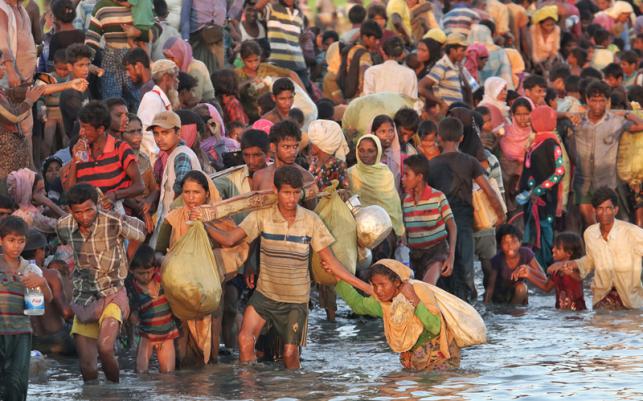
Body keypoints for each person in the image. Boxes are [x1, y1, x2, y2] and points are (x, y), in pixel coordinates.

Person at [203, 165, 348, 369]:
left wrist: (364, 287)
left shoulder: (311, 220)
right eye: (287, 193)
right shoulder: (262, 216)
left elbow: (331, 261)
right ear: (276, 192)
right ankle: (249, 393)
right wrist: (203, 223)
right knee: (245, 341)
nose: (291, 199)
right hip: (265, 295)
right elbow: (230, 239)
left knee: (290, 354)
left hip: (296, 300)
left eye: (296, 193)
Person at [56, 183, 146, 382]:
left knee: (105, 348)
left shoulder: (112, 220)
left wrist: (126, 260)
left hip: (112, 292)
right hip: (84, 297)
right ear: (70, 211)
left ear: (97, 205)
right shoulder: (64, 225)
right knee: (87, 367)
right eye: (78, 212)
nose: (85, 216)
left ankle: (115, 392)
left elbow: (141, 232)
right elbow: (63, 240)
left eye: (89, 210)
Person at [329, 258, 460, 371]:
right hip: (416, 364)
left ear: (397, 282)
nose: (378, 290)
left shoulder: (420, 293)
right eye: (374, 285)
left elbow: (435, 326)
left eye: (382, 284)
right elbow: (358, 305)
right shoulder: (385, 305)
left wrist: (414, 299)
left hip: (441, 362)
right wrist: (339, 280)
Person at [428, 117, 505, 302]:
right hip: (463, 223)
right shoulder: (469, 162)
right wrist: (500, 216)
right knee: (465, 269)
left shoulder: (432, 165)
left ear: (439, 137)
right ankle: (468, 306)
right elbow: (489, 192)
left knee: (443, 269)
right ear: (461, 138)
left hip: (439, 223)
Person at [549, 187, 643, 310]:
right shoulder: (590, 233)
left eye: (609, 208)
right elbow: (590, 261)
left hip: (630, 300)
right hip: (602, 297)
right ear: (594, 210)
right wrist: (570, 264)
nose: (604, 213)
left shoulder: (631, 232)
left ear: (615, 210)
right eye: (600, 208)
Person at [573, 81, 643, 226]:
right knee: (589, 224)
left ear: (608, 101)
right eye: (594, 100)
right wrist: (565, 115)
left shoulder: (616, 122)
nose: (597, 104)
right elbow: (547, 117)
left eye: (602, 100)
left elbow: (640, 125)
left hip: (606, 183)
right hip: (583, 182)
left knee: (605, 225)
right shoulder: (578, 120)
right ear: (587, 100)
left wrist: (625, 113)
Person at [0, 216, 52, 401]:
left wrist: (42, 283)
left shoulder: (32, 270)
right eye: (11, 240)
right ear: (1, 240)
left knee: (17, 381)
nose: (16, 246)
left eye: (21, 241)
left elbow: (47, 299)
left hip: (21, 332)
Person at [65, 101, 144, 214]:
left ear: (100, 129)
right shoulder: (81, 151)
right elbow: (70, 192)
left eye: (85, 128)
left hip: (117, 216)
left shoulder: (120, 149)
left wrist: (115, 195)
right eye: (81, 127)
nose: (81, 132)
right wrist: (74, 161)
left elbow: (139, 186)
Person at [518, 106, 566, 268]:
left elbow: (560, 171)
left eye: (533, 119)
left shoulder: (552, 144)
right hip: (532, 200)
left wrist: (539, 190)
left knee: (545, 231)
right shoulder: (536, 143)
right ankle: (538, 269)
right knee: (534, 231)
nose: (530, 122)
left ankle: (546, 268)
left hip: (545, 200)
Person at [149, 111, 203, 247]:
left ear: (178, 133)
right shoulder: (175, 153)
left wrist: (174, 221)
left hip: (179, 224)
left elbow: (182, 185)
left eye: (165, 133)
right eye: (156, 133)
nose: (159, 138)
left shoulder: (181, 155)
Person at [348, 135, 405, 261]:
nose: (365, 154)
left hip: (384, 232)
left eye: (370, 151)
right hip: (357, 233)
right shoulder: (351, 174)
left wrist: (400, 232)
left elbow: (393, 206)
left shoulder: (385, 174)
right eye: (361, 150)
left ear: (378, 152)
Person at [401, 155, 457, 285]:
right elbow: (405, 231)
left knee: (427, 287)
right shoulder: (406, 200)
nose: (402, 178)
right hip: (414, 255)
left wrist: (451, 256)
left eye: (406, 175)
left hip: (436, 252)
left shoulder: (438, 197)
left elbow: (452, 226)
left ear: (419, 177)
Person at [22, 229, 75, 356]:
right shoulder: (51, 275)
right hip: (58, 339)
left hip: (31, 342)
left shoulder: (11, 276)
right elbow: (66, 312)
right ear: (39, 251)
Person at [126, 244, 178, 373]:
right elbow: (132, 316)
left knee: (168, 376)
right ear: (131, 271)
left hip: (167, 335)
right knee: (141, 372)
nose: (145, 276)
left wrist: (159, 258)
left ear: (155, 269)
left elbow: (166, 259)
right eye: (141, 273)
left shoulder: (162, 279)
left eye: (149, 272)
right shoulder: (132, 288)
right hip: (147, 336)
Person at [520, 232, 586, 311]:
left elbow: (580, 277)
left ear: (569, 253)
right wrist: (528, 275)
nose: (553, 249)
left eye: (557, 248)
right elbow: (546, 287)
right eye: (554, 246)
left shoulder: (576, 269)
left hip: (577, 313)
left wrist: (569, 272)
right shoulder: (556, 270)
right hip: (560, 313)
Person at [484, 224, 547, 305]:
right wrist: (486, 305)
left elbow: (543, 277)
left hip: (519, 293)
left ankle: (515, 313)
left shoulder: (526, 253)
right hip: (500, 296)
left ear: (520, 242)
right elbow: (490, 287)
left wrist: (529, 270)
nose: (510, 246)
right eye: (505, 243)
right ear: (500, 245)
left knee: (521, 287)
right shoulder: (497, 259)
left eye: (514, 242)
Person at [252, 120, 316, 198]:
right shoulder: (259, 176)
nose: (293, 152)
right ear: (273, 147)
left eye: (295, 146)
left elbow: (312, 209)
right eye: (286, 147)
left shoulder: (306, 177)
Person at [137, 59, 179, 162]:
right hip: (153, 161)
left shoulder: (159, 98)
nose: (177, 81)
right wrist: (157, 159)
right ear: (166, 78)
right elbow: (146, 134)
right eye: (175, 77)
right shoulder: (152, 98)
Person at [7, 168, 65, 234]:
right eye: (40, 190)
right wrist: (50, 203)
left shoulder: (36, 210)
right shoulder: (29, 216)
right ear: (28, 194)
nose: (45, 193)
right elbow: (70, 224)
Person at [421, 33, 470, 108]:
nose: (465, 54)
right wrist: (441, 103)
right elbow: (421, 87)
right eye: (462, 50)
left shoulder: (457, 66)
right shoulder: (442, 65)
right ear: (452, 50)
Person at [163, 37, 215, 102]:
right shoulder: (177, 69)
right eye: (166, 58)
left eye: (172, 58)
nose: (169, 61)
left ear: (181, 54)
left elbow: (194, 98)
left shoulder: (196, 68)